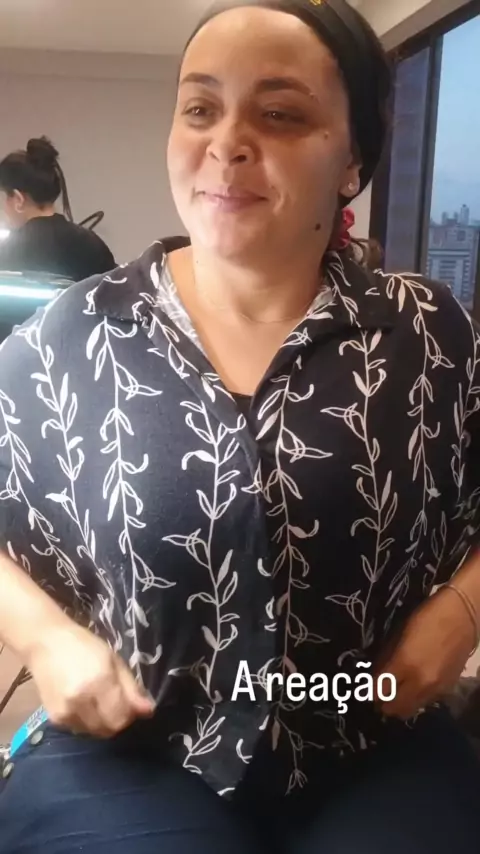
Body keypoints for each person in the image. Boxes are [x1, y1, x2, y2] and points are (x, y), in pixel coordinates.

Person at [0, 1, 479, 851]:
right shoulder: (68, 338)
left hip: (371, 738)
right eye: (200, 107)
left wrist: (462, 612)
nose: (226, 142)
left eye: (281, 114)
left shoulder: (431, 335)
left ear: (353, 160)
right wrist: (43, 636)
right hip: (134, 746)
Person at [0, 136, 116, 281]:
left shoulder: (8, 251)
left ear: (19, 199)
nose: (4, 207)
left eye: (6, 197)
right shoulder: (93, 244)